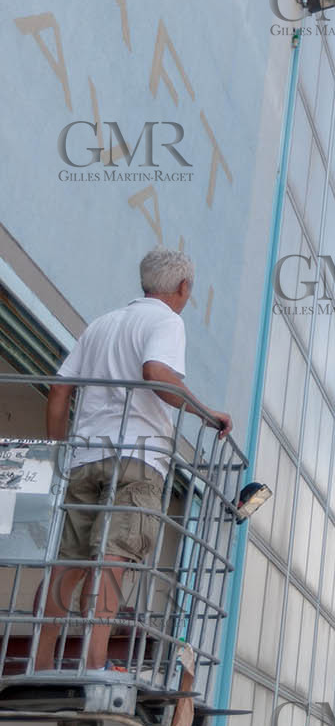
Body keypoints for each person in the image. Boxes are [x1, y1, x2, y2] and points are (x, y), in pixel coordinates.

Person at [32, 247, 232, 673]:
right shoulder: (166, 320)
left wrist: (59, 452)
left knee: (68, 562)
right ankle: (94, 664)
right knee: (113, 560)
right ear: (183, 288)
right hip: (138, 456)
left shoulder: (102, 324)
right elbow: (157, 373)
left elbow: (59, 392)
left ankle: (41, 659)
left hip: (85, 456)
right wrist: (206, 412)